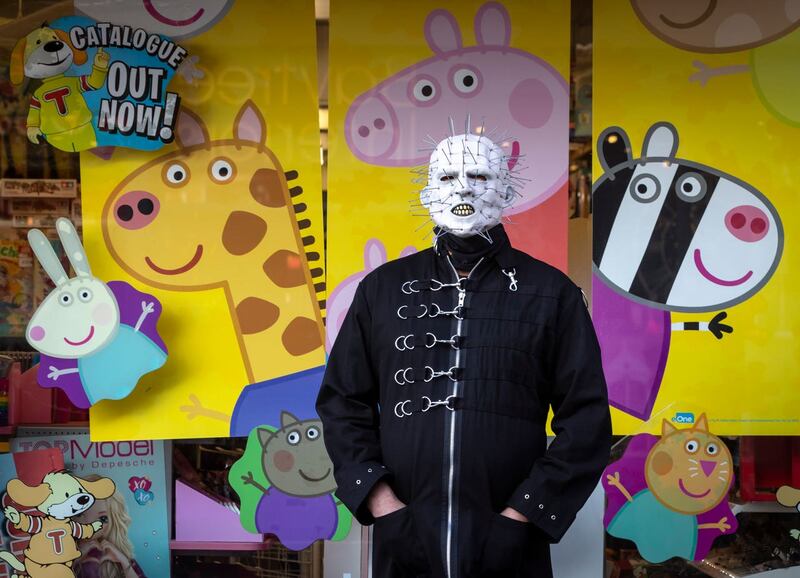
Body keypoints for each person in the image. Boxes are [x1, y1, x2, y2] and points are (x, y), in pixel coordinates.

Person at [317, 127, 612, 578]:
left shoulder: (551, 294)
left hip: (512, 541)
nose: (463, 188)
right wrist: (382, 505)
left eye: (478, 175)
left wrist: (525, 516)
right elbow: (343, 401)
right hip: (405, 535)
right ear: (427, 191)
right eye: (448, 176)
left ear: (506, 190)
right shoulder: (382, 290)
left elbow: (586, 420)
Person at [74, 475, 147, 578]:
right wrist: (75, 558)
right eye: (79, 514)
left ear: (113, 520)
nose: (90, 524)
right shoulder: (60, 553)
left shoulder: (115, 554)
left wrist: (124, 563)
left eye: (102, 519)